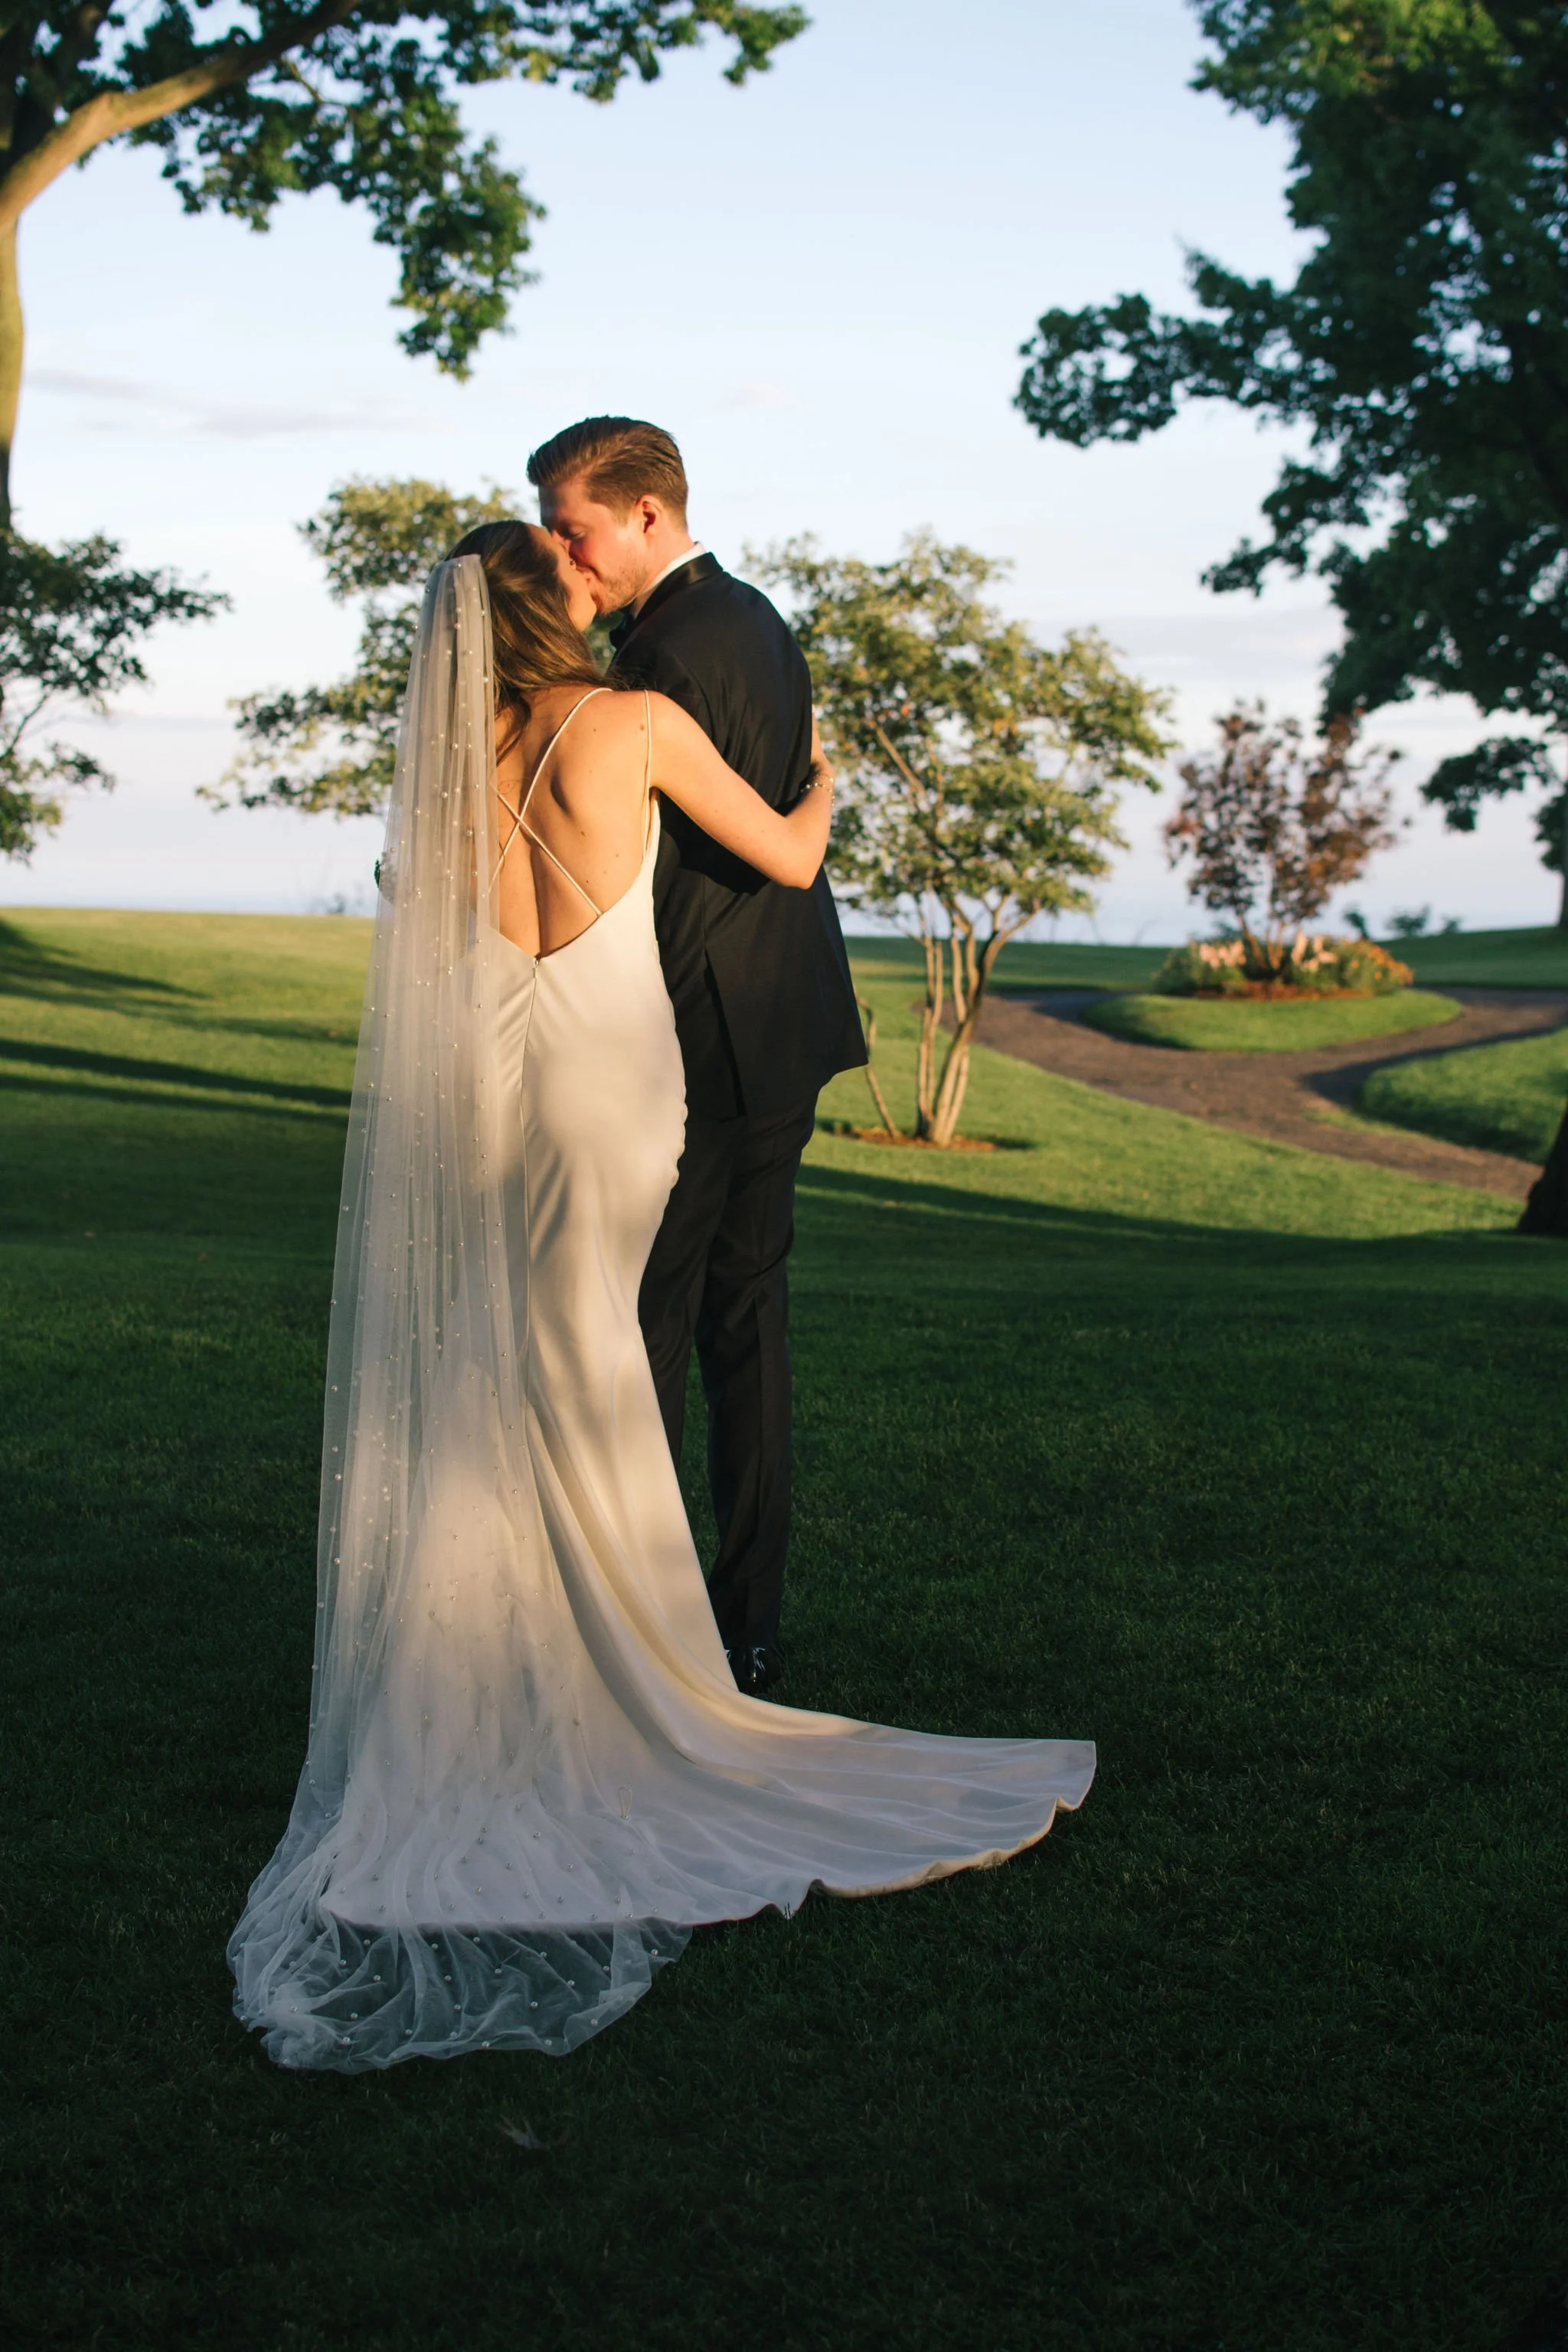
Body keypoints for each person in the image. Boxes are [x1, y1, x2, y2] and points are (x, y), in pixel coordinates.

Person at [227, 527, 1093, 2071]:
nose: (581, 570)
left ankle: (487, 1669)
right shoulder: (627, 724)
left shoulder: (447, 766)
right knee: (590, 1374)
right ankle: (623, 1680)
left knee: (503, 1372)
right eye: (559, 566)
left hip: (491, 1093)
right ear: (546, 605)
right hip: (613, 1091)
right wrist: (823, 766)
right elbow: (790, 856)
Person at [527, 417, 867, 1696]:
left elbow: (662, 876)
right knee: (746, 1322)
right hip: (784, 1022)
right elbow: (786, 823)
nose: (566, 552)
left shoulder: (657, 660)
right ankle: (745, 1625)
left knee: (650, 1327)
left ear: (650, 517)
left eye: (577, 527)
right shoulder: (761, 619)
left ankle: (646, 1630)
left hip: (704, 1039)